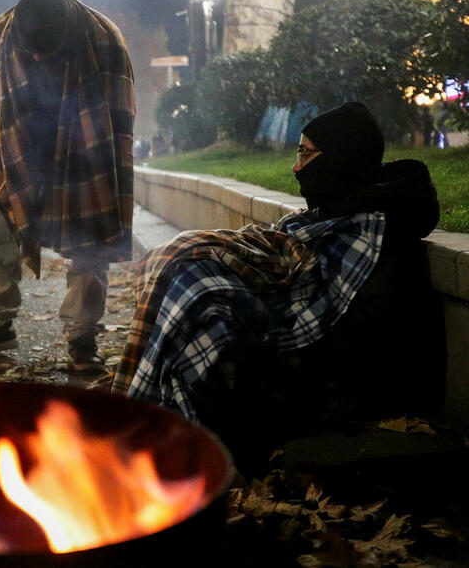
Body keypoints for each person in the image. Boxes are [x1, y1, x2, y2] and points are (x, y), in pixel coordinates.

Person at [109, 102, 442, 466]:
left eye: (305, 154)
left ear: (340, 158)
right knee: (184, 266)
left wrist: (249, 317)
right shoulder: (334, 212)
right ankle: (147, 419)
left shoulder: (375, 233)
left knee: (204, 299)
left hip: (326, 379)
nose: (296, 168)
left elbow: (345, 332)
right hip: (295, 351)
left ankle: (176, 442)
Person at [0, 0, 135, 372]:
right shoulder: (1, 34)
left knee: (91, 229)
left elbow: (118, 121)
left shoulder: (104, 40)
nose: (35, 58)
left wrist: (104, 184)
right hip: (20, 137)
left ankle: (82, 335)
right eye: (30, 51)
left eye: (45, 53)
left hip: (86, 140)